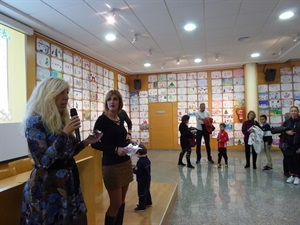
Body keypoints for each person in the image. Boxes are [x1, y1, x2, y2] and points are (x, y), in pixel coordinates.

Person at [20, 77, 102, 225]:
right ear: (48, 95)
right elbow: (43, 162)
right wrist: (64, 134)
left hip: (67, 185)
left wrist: (86, 142)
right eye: (60, 93)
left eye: (67, 92)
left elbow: (66, 154)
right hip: (46, 189)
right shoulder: (34, 123)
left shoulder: (60, 120)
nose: (66, 97)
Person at [91, 90, 133, 225]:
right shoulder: (102, 120)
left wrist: (130, 144)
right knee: (115, 204)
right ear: (106, 102)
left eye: (115, 99)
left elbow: (120, 139)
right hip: (111, 165)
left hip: (125, 163)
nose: (112, 102)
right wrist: (115, 150)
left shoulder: (120, 118)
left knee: (121, 202)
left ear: (119, 102)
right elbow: (95, 144)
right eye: (109, 99)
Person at [281, 106, 300, 185]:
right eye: (292, 111)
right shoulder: (287, 121)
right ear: (290, 112)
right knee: (289, 161)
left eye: (295, 111)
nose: (293, 112)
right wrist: (286, 132)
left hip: (297, 145)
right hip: (288, 145)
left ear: (298, 112)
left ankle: (298, 176)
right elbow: (281, 130)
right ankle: (291, 175)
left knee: (297, 161)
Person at [132, 143, 152, 211]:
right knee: (147, 190)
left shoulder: (140, 162)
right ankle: (148, 202)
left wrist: (133, 170)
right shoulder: (147, 160)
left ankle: (142, 206)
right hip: (147, 178)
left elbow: (137, 171)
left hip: (141, 180)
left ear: (138, 153)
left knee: (141, 192)